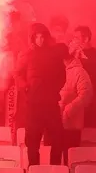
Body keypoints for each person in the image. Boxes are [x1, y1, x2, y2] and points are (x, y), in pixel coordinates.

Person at [16, 22, 66, 166]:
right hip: (33, 105)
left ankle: (55, 168)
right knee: (32, 142)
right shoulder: (26, 55)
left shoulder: (54, 55)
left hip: (51, 103)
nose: (40, 40)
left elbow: (62, 76)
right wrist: (25, 87)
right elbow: (18, 74)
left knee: (58, 139)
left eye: (43, 36)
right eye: (37, 37)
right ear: (32, 38)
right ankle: (33, 169)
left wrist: (55, 89)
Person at [60, 42, 93, 160]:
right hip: (56, 124)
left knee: (71, 160)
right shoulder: (59, 70)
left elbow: (86, 94)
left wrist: (68, 110)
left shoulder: (79, 72)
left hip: (71, 126)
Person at [72, 25, 96, 128]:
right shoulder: (73, 54)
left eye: (76, 38)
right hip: (76, 98)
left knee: (90, 127)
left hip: (92, 98)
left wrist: (82, 58)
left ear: (86, 38)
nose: (74, 41)